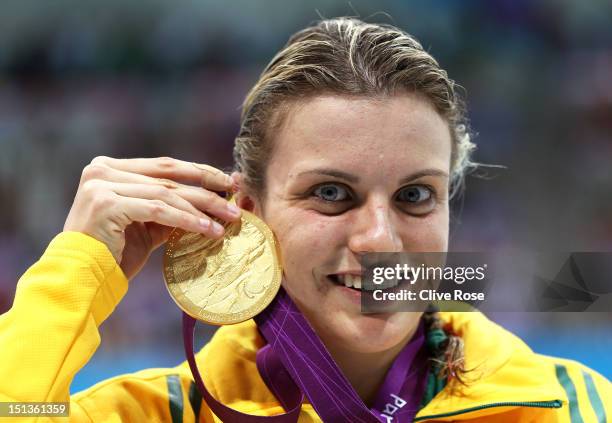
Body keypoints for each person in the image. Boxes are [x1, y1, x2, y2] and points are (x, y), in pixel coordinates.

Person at [0, 17, 610, 423]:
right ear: (248, 213)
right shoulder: (156, 413)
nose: (380, 239)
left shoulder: (576, 407)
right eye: (331, 193)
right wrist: (76, 274)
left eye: (416, 197)